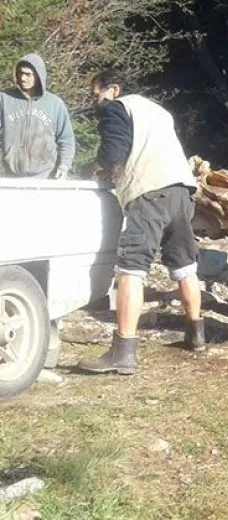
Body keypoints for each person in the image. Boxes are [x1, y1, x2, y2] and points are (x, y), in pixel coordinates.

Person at [78, 69, 202, 375]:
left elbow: (114, 152)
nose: (96, 102)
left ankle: (123, 351)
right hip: (182, 190)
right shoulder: (157, 110)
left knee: (131, 267)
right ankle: (196, 334)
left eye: (97, 95)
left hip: (149, 191)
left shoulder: (117, 108)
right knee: (184, 265)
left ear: (114, 89)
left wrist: (94, 167)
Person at [0, 54, 75, 178]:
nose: (23, 78)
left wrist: (64, 165)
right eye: (20, 73)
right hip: (11, 175)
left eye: (28, 74)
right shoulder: (4, 99)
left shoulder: (54, 104)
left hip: (45, 176)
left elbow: (66, 139)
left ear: (39, 76)